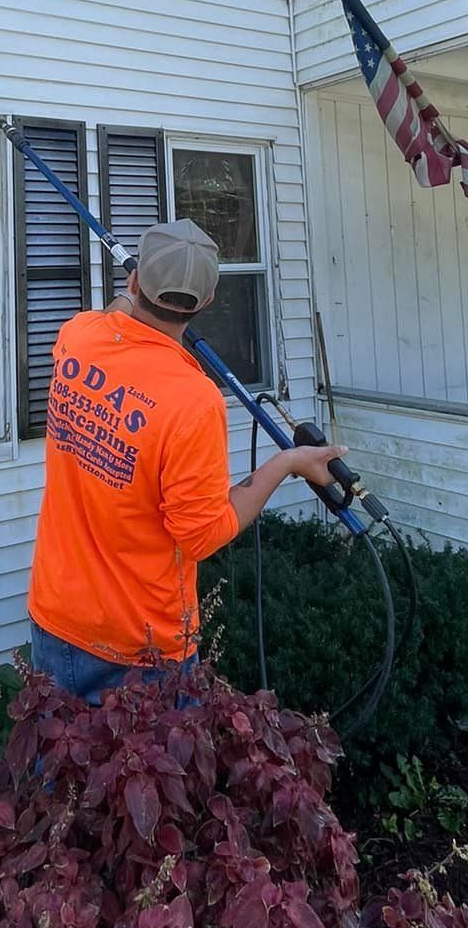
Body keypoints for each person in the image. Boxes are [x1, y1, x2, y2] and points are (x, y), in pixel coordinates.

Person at [26, 216, 342, 701]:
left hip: (57, 617)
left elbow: (113, 314)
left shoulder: (77, 337)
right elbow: (200, 534)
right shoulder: (192, 400)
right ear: (207, 302)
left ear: (133, 281)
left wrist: (132, 295)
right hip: (142, 646)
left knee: (60, 772)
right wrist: (289, 463)